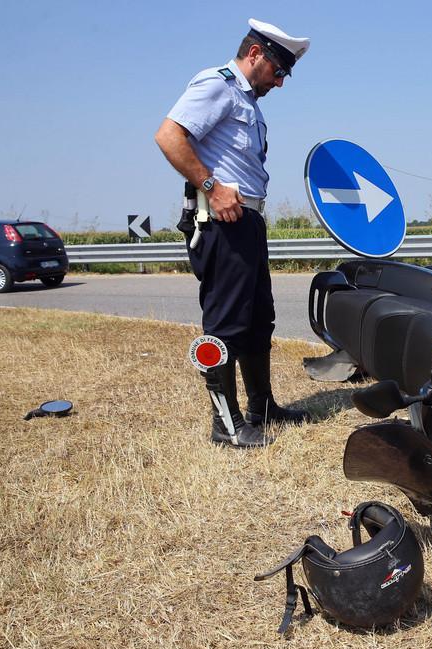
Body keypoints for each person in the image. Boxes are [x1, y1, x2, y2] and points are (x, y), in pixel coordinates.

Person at [155, 18, 311, 448]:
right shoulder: (217, 84)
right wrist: (211, 185)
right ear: (255, 54)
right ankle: (225, 424)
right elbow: (169, 136)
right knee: (226, 323)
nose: (280, 83)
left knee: (259, 318)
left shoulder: (249, 104)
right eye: (278, 71)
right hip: (222, 221)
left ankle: (262, 408)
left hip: (248, 221)